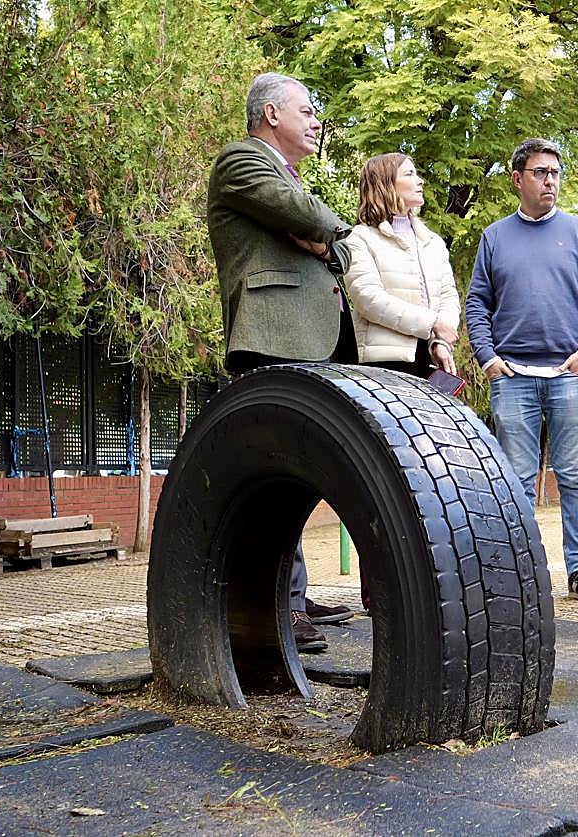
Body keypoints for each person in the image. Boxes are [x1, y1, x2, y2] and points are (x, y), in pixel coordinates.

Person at [207, 72, 355, 653]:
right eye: (307, 109)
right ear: (271, 114)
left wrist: (319, 236)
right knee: (274, 473)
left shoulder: (284, 175)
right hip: (271, 334)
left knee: (298, 474)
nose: (316, 120)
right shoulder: (240, 162)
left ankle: (292, 592)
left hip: (306, 336)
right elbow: (316, 219)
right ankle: (276, 607)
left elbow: (332, 245)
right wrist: (318, 230)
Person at [465, 138, 578, 604]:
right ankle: (523, 571)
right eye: (539, 172)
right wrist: (489, 359)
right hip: (511, 377)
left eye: (554, 172)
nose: (549, 180)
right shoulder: (494, 237)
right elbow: (477, 303)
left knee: (573, 475)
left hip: (569, 376)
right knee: (516, 478)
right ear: (518, 179)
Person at [345, 153, 460, 379]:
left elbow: (448, 296)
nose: (420, 181)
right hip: (382, 364)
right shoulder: (359, 238)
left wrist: (441, 341)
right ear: (385, 184)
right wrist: (433, 323)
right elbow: (368, 299)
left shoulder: (433, 242)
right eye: (409, 174)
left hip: (430, 359)